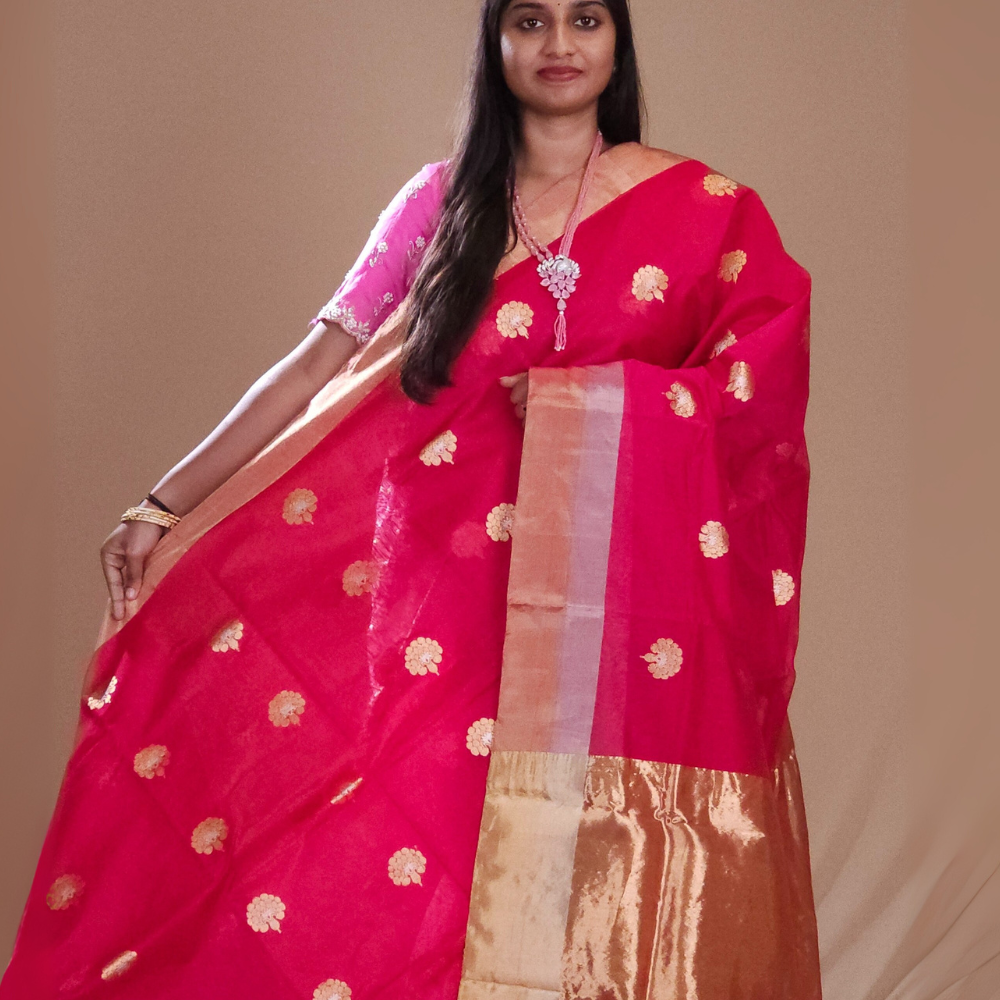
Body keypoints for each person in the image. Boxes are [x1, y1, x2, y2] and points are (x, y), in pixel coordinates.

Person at [1, 1, 822, 997]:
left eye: (585, 19)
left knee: (582, 860)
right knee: (426, 848)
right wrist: (160, 505)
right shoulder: (439, 204)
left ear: (618, 43)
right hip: (441, 598)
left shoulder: (705, 210)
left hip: (609, 606)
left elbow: (755, 391)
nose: (559, 45)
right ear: (496, 43)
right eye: (530, 20)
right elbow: (312, 369)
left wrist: (596, 403)